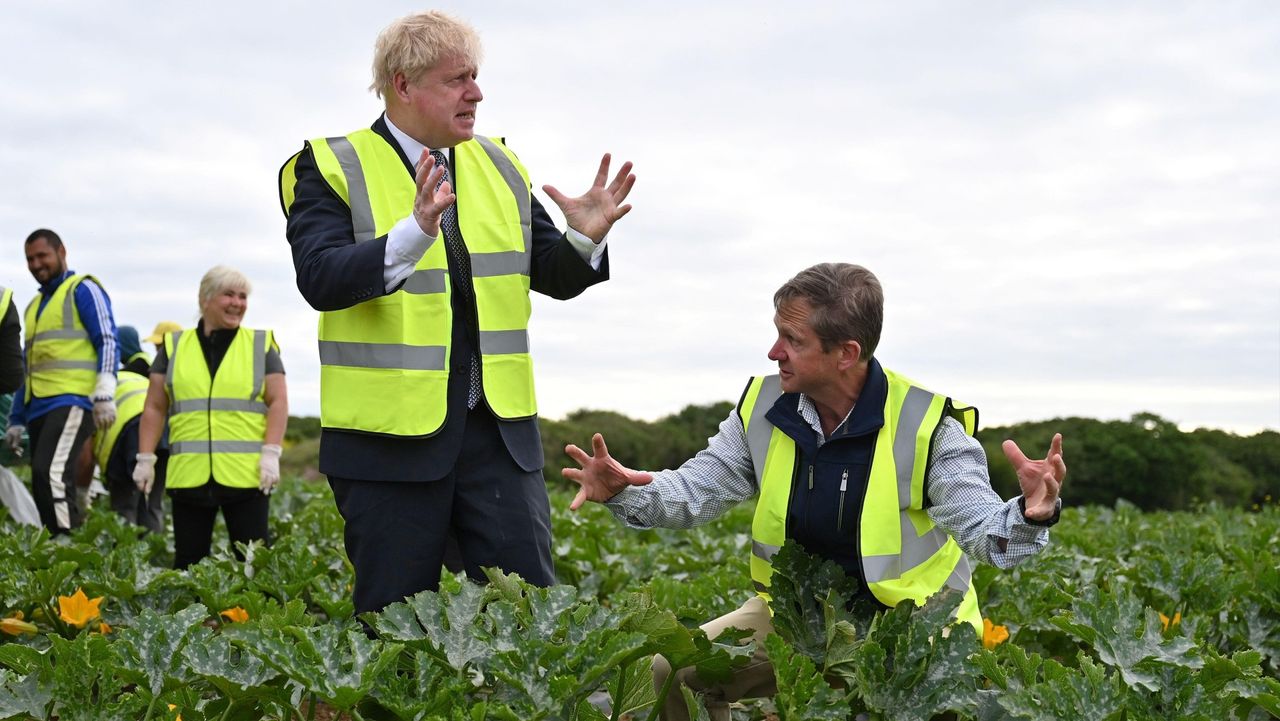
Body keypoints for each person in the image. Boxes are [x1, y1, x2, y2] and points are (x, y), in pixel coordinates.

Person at [563, 263, 1067, 721]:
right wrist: (624, 492)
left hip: (911, 629)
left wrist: (1031, 515)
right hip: (797, 615)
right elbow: (697, 489)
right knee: (669, 671)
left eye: (792, 339)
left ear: (846, 353)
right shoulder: (763, 407)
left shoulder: (929, 427)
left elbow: (983, 530)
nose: (773, 352)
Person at [278, 10, 636, 616]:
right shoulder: (327, 164)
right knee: (396, 635)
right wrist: (414, 233)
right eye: (457, 80)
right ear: (403, 85)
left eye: (476, 77)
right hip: (386, 446)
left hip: (499, 439)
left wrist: (584, 239)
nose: (476, 93)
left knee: (528, 619)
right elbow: (320, 278)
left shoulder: (499, 162)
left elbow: (551, 272)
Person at [133, 266, 288, 568]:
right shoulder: (173, 347)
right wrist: (145, 458)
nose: (237, 303)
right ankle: (194, 618)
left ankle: (259, 617)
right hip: (189, 475)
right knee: (189, 562)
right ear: (204, 299)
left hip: (246, 476)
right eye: (228, 294)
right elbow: (154, 406)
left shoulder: (260, 345)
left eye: (243, 296)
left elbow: (278, 400)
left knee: (254, 564)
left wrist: (271, 453)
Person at [5, 229, 119, 534]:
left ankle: (66, 549)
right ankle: (59, 541)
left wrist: (105, 390)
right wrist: (16, 419)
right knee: (44, 479)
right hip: (39, 406)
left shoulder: (82, 289)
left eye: (42, 256)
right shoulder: (34, 308)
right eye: (30, 259)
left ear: (61, 251)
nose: (36, 264)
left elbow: (107, 339)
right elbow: (27, 368)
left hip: (73, 400)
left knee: (50, 472)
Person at [92, 367, 166, 532]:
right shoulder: (131, 377)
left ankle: (129, 553)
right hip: (161, 431)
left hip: (128, 434)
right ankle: (153, 551)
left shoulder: (94, 387)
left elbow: (85, 452)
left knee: (125, 505)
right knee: (152, 502)